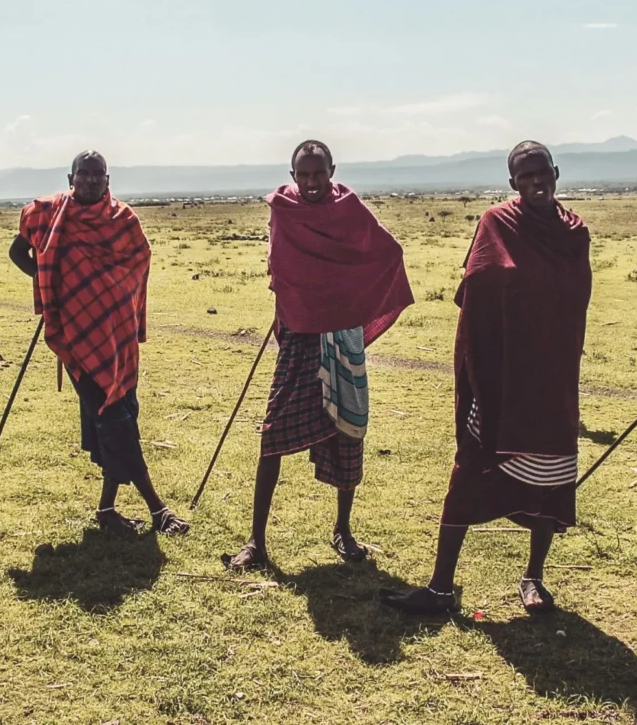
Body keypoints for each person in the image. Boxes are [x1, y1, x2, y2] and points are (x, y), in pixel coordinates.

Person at [379, 141, 589, 615]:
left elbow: (575, 302)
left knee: (549, 476)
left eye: (543, 173)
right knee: (470, 472)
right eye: (526, 175)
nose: (536, 181)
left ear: (556, 173)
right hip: (499, 376)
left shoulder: (575, 234)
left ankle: (533, 578)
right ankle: (439, 588)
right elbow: (475, 291)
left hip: (552, 378)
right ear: (512, 181)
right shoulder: (497, 223)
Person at [223, 140, 414, 571]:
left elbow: (386, 252)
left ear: (332, 170)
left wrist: (353, 298)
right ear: (293, 175)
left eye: (318, 173)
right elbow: (279, 264)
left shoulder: (348, 208)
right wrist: (287, 291)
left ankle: (343, 530)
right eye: (303, 174)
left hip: (340, 334)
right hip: (298, 333)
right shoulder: (282, 210)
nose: (311, 182)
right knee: (272, 436)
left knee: (348, 432)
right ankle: (257, 541)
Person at [8, 151, 189, 537]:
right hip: (75, 336)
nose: (90, 181)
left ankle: (106, 509)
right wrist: (49, 284)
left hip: (117, 336)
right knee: (113, 418)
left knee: (122, 411)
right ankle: (158, 509)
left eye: (98, 175)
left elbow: (140, 262)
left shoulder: (123, 221)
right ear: (70, 177)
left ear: (109, 180)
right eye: (83, 174)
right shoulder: (47, 214)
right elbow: (18, 251)